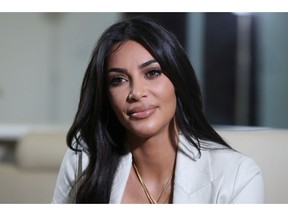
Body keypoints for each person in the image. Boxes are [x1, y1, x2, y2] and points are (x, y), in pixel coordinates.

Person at [52, 16, 264, 204]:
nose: (136, 92)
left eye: (152, 73)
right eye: (118, 80)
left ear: (177, 80)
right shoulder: (83, 160)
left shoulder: (237, 175)